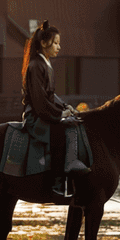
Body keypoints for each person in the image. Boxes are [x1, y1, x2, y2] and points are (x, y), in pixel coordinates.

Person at [21, 20, 89, 196]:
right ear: (44, 43)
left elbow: (51, 96)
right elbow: (39, 100)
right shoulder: (36, 66)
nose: (59, 47)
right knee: (61, 130)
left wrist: (66, 107)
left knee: (73, 123)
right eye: (56, 43)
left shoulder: (46, 64)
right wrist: (59, 114)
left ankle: (71, 165)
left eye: (59, 43)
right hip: (35, 116)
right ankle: (57, 183)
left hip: (43, 112)